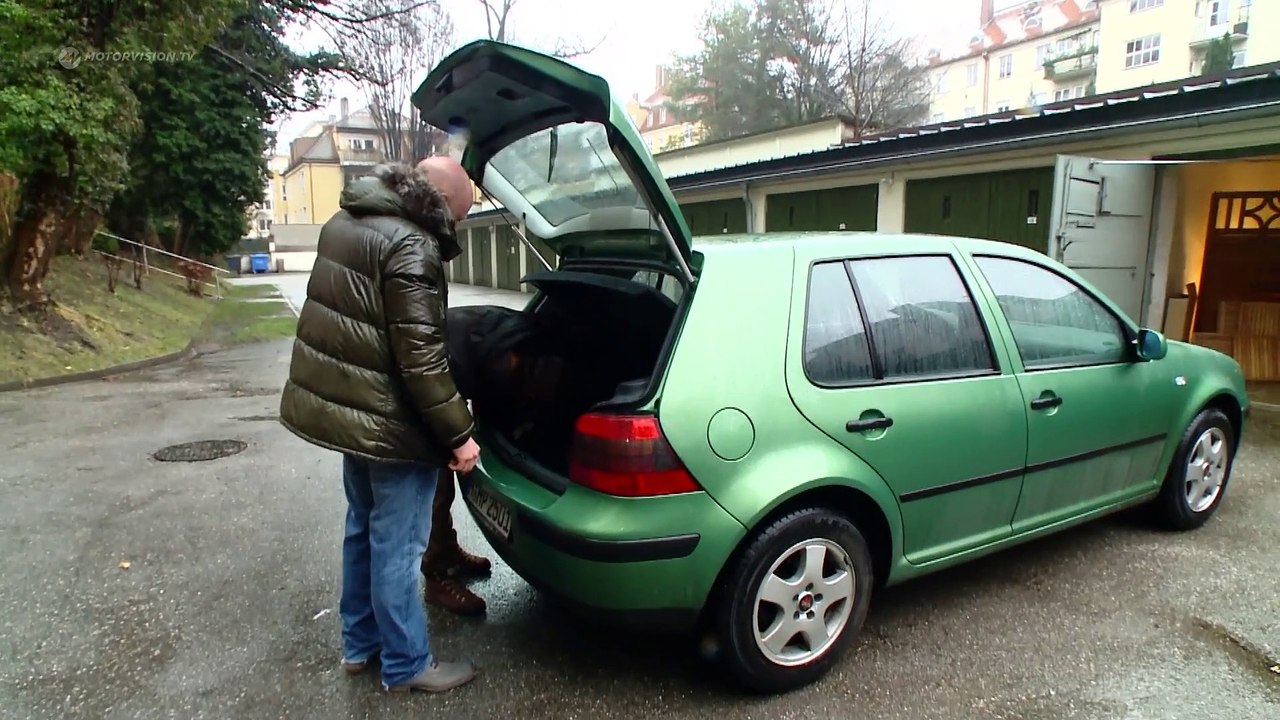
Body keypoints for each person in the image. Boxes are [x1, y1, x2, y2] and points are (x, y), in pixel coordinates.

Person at [279, 156, 481, 694]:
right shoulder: (412, 244)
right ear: (438, 207)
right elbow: (420, 359)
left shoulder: (346, 222)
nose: (454, 230)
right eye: (457, 220)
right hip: (392, 427)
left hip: (349, 415)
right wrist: (458, 435)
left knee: (362, 530)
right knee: (399, 544)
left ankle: (359, 645)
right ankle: (407, 663)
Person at [420, 305, 568, 616]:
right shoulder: (495, 353)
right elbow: (440, 397)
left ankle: (446, 550)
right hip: (422, 399)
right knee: (435, 484)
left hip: (443, 378)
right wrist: (460, 438)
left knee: (440, 479)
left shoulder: (514, 338)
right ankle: (438, 574)